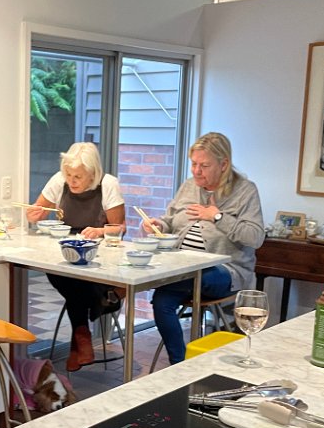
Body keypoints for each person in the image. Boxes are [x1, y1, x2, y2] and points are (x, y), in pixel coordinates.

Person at [142, 133, 264, 365]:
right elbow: (170, 220)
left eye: (204, 166)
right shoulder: (189, 186)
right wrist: (159, 226)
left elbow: (255, 237)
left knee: (191, 276)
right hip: (183, 267)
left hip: (226, 270)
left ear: (224, 164)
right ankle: (180, 364)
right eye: (194, 164)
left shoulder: (245, 190)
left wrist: (217, 217)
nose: (197, 171)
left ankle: (161, 280)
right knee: (161, 301)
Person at [26, 143, 125, 371]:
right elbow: (38, 211)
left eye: (78, 176)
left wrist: (99, 231)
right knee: (62, 272)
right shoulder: (59, 180)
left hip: (99, 257)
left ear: (93, 173)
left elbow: (119, 228)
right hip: (67, 251)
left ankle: (80, 339)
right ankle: (102, 302)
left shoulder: (108, 184)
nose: (72, 181)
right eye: (69, 174)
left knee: (76, 283)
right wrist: (34, 215)